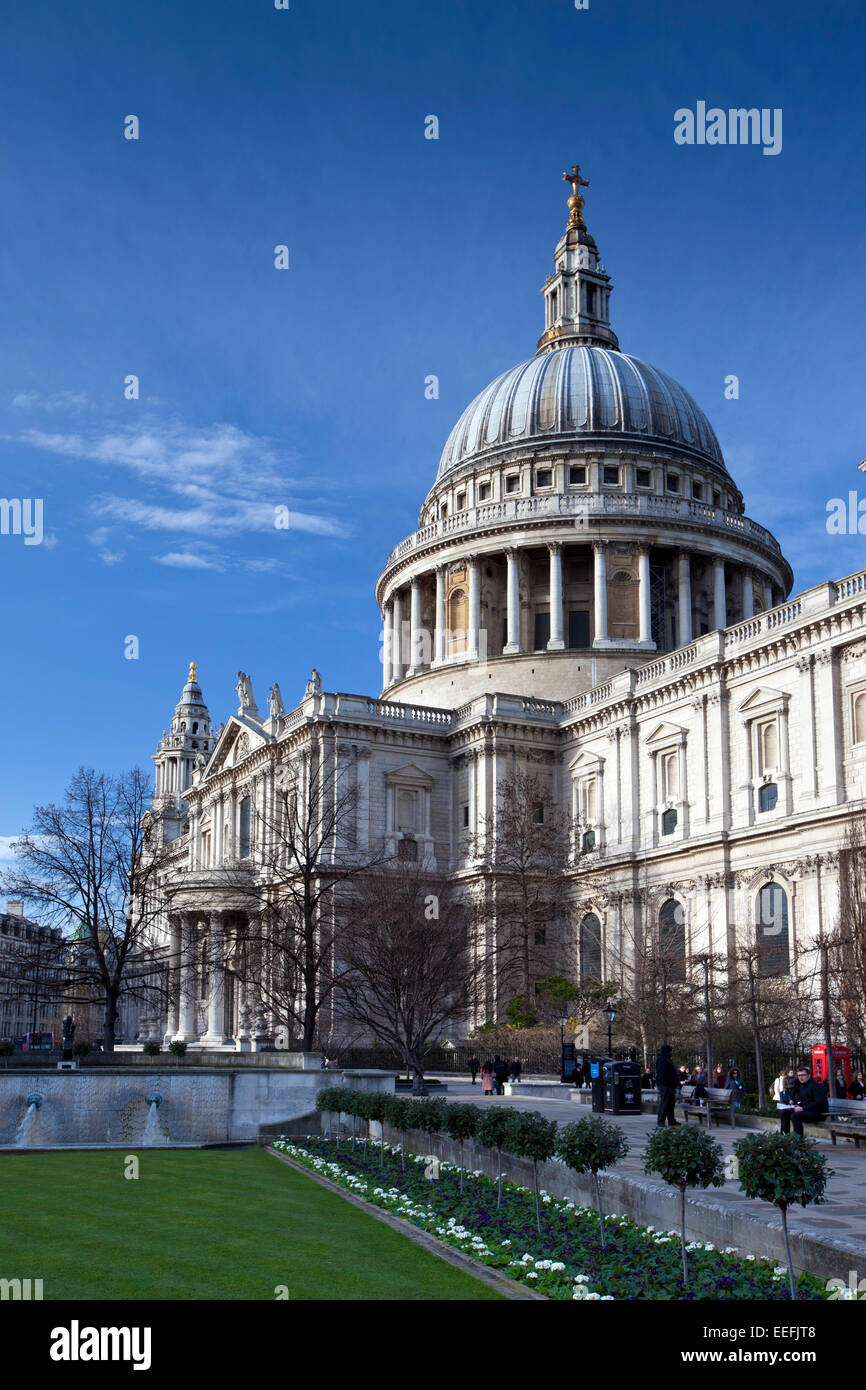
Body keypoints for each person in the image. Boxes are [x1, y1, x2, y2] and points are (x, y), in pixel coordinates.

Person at [779, 1066, 828, 1136]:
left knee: (795, 1116)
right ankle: (784, 1137)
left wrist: (803, 1108)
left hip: (819, 1113)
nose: (801, 1078)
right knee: (784, 1112)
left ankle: (798, 1141)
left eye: (803, 1075)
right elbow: (800, 1099)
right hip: (807, 1110)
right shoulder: (801, 1085)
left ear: (809, 1075)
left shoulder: (816, 1086)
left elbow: (820, 1103)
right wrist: (793, 1104)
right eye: (799, 1075)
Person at [655, 1044, 680, 1127]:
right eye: (670, 1051)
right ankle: (661, 1121)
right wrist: (667, 1083)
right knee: (665, 1103)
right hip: (666, 1085)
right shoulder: (663, 1060)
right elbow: (662, 1073)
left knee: (670, 1103)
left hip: (669, 1085)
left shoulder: (665, 1059)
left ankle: (671, 1120)